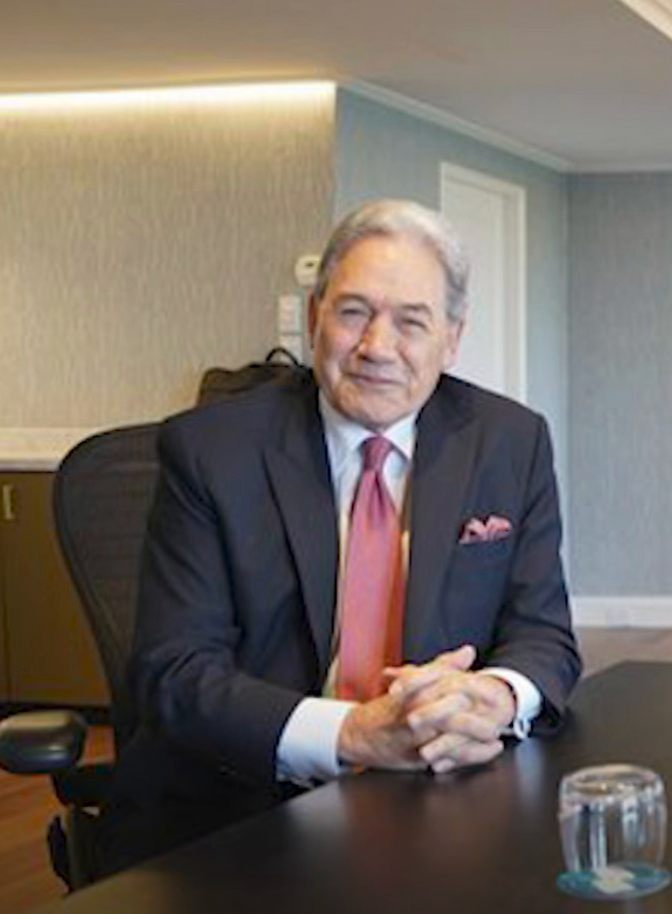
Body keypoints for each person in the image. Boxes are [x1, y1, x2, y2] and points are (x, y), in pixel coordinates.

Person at [102, 199, 580, 874]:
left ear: (451, 339)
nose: (377, 347)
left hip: (439, 794)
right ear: (313, 317)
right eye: (354, 312)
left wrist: (494, 699)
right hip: (244, 806)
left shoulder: (509, 442)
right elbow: (175, 670)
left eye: (412, 321)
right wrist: (353, 733)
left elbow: (544, 634)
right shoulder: (211, 451)